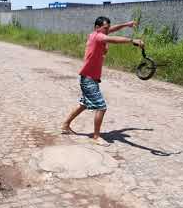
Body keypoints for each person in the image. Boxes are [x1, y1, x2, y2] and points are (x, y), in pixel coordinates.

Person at [61, 16, 144, 147]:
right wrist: (132, 40)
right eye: (105, 28)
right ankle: (96, 136)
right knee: (101, 107)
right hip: (88, 79)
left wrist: (127, 24)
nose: (107, 31)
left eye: (107, 29)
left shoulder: (97, 34)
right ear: (97, 27)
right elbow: (113, 39)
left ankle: (65, 125)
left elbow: (112, 30)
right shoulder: (98, 37)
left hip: (89, 78)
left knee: (84, 104)